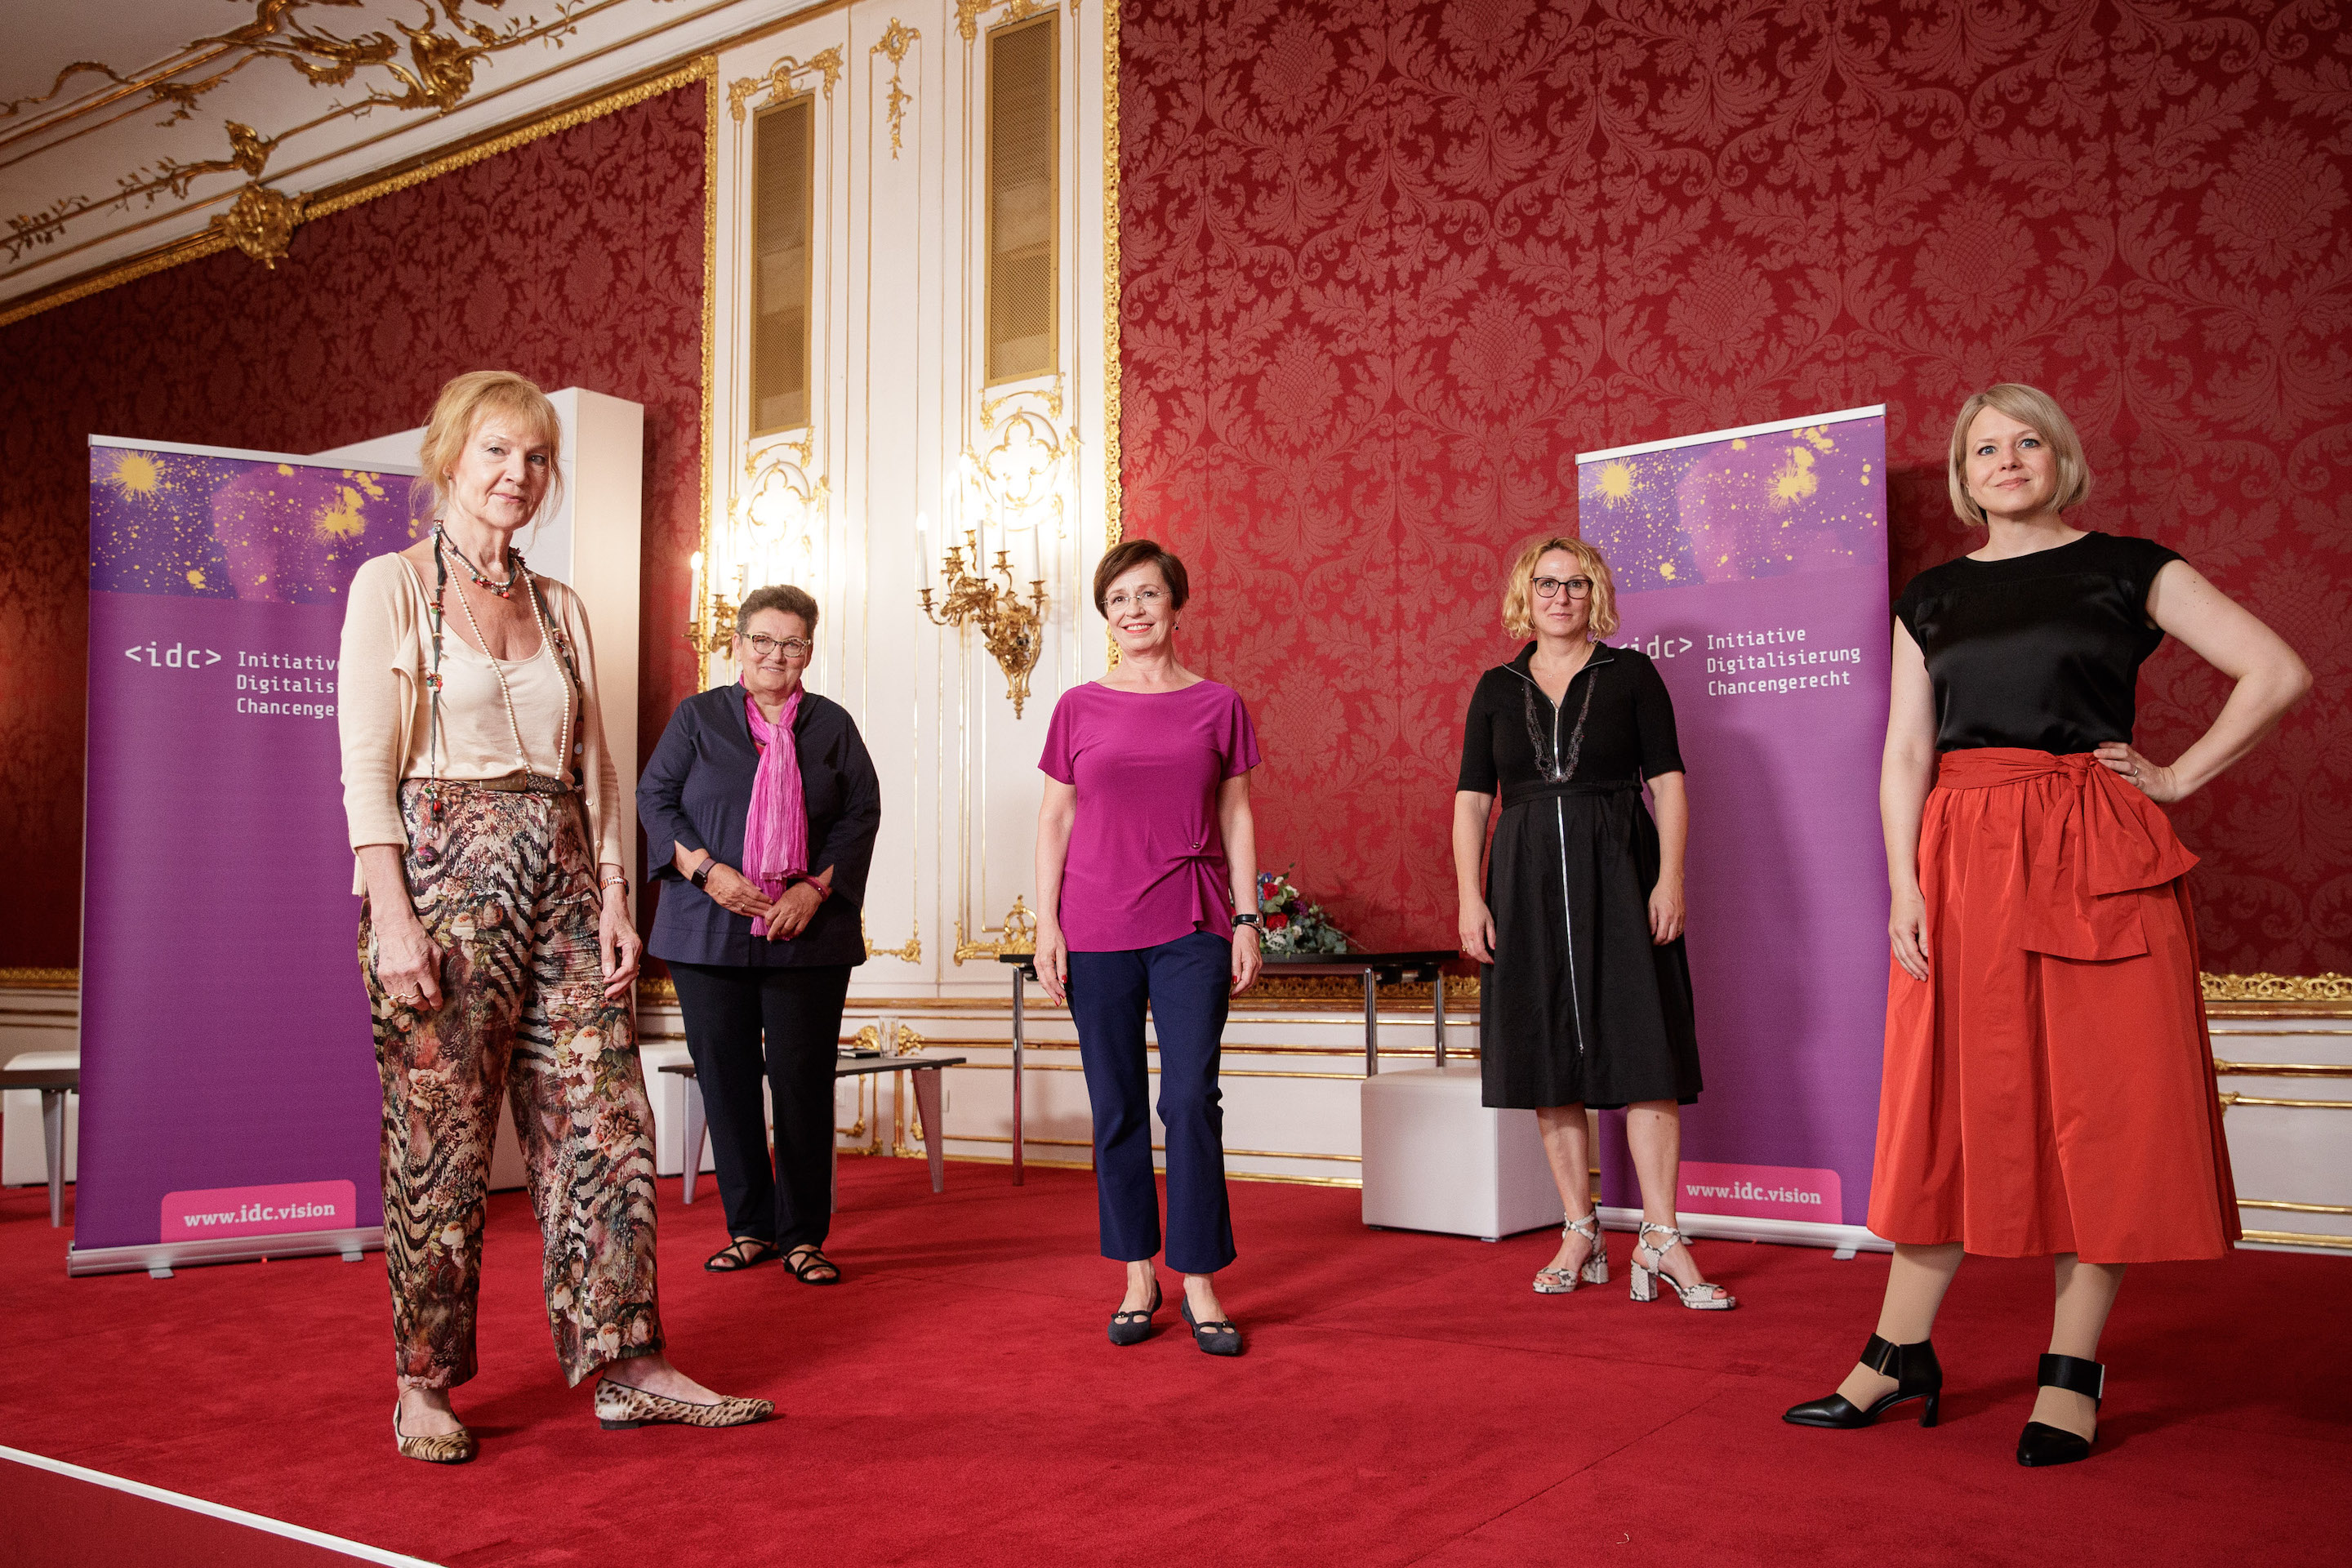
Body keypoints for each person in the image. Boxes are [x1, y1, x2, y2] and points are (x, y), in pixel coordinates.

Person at [1783, 383, 2310, 1465]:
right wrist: (1904, 885)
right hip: (1959, 861)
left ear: (2062, 459)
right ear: (1967, 476)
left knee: (2103, 1111)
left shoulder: (2128, 565)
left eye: (2028, 441)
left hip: (2092, 854)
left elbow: (2277, 670)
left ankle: (2071, 1371)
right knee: (1946, 1111)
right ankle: (1896, 1352)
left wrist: (2174, 776)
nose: (2007, 459)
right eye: (1985, 448)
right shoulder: (1930, 595)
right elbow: (1903, 755)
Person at [341, 371, 770, 1464]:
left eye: (535, 459)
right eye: (496, 453)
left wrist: (619, 897)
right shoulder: (388, 587)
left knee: (605, 1121)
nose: (517, 476)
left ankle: (628, 1361)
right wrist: (392, 914)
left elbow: (602, 771)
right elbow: (364, 771)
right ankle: (424, 1382)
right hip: (440, 875)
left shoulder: (561, 606)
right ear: (450, 459)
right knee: (439, 1135)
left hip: (567, 879)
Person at [1454, 537, 1731, 1310]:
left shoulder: (1632, 674)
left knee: (1644, 1047)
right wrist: (1471, 899)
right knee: (1548, 1054)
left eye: (1576, 584)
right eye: (1546, 583)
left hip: (1621, 870)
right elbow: (1473, 801)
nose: (1561, 596)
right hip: (1524, 879)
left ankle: (1662, 1237)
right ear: (1525, 593)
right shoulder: (1495, 687)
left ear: (1595, 594)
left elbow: (1669, 782)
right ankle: (1581, 1229)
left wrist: (1669, 878)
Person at [1032, 539, 1264, 1356]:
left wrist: (1247, 917)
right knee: (1119, 1103)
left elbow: (1235, 815)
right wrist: (1045, 924)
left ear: (1176, 604)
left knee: (1190, 1099)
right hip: (1094, 927)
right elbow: (1055, 819)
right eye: (1118, 599)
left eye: (1148, 595)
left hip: (1193, 922)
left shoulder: (1218, 705)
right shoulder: (1077, 708)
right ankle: (1138, 1271)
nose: (1133, 610)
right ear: (1106, 613)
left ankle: (1199, 1277)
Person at [638, 585, 881, 1285]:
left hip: (806, 930)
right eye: (764, 641)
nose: (778, 655)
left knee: (804, 1083)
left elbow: (860, 813)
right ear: (738, 644)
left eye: (794, 643)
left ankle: (803, 1235)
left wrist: (813, 888)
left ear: (810, 651)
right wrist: (707, 871)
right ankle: (749, 1227)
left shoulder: (832, 725)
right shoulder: (697, 718)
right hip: (708, 928)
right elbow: (656, 799)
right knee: (728, 1081)